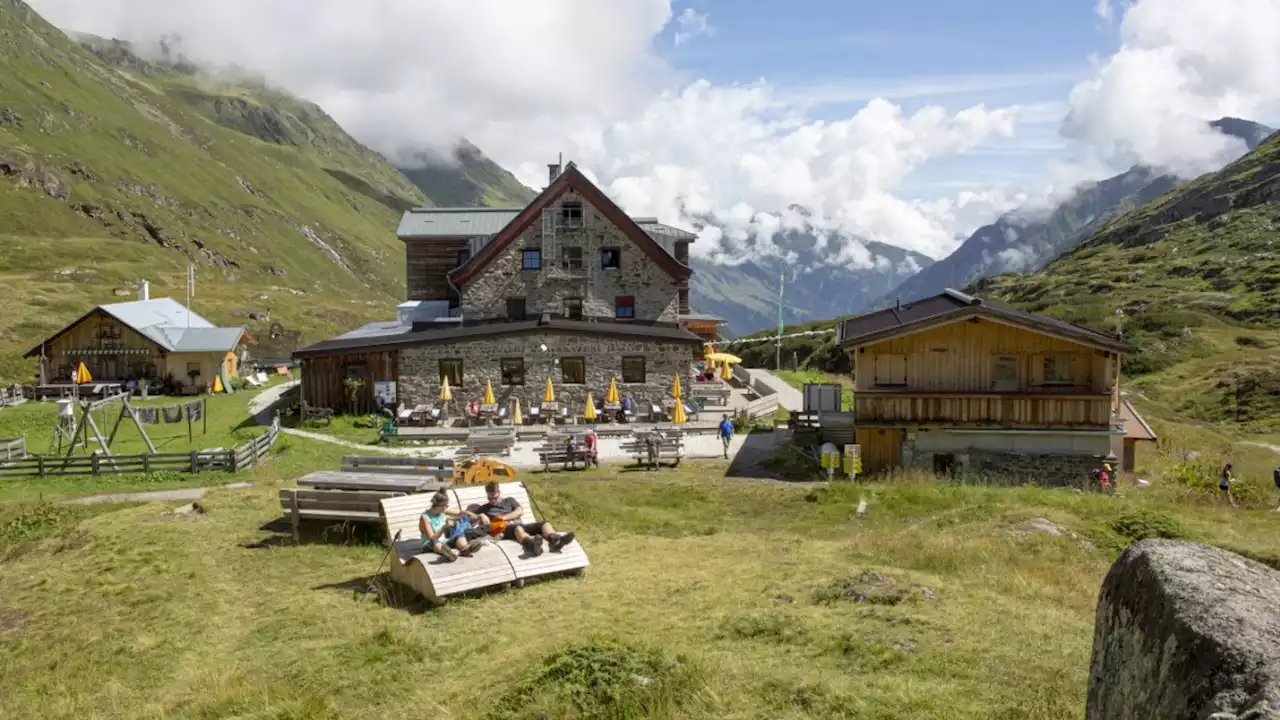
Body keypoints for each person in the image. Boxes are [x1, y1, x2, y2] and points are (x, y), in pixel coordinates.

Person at [463, 481, 575, 557]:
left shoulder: (509, 500)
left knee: (545, 524)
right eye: (489, 498)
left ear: (499, 493)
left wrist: (503, 517)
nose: (492, 500)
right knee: (517, 528)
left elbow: (520, 511)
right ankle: (531, 544)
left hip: (521, 525)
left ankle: (556, 541)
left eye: (494, 498)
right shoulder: (485, 508)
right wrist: (479, 516)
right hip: (505, 531)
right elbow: (467, 517)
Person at [419, 491, 483, 562]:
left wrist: (467, 513)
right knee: (434, 541)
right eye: (446, 505)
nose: (446, 507)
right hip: (430, 545)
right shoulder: (425, 518)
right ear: (440, 505)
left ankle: (465, 549)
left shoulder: (442, 511)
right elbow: (431, 538)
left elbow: (458, 513)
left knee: (459, 534)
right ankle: (450, 553)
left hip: (444, 543)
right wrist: (444, 527)